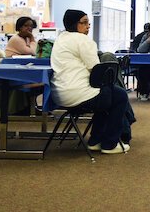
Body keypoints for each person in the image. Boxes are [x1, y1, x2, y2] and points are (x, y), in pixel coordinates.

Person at [50, 9, 132, 154]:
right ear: (75, 24)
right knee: (119, 95)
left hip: (59, 95)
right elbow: (96, 70)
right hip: (80, 95)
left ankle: (96, 140)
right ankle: (109, 144)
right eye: (85, 23)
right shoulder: (83, 40)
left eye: (89, 22)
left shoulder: (60, 39)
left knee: (108, 95)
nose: (88, 26)